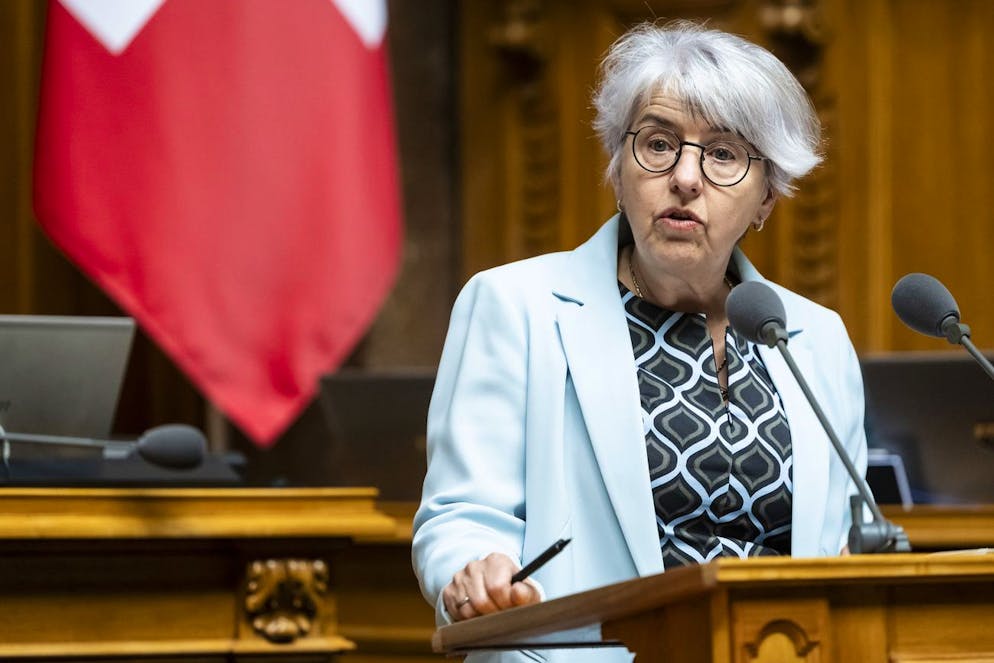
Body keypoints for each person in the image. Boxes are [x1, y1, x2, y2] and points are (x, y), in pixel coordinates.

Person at [412, 19, 866, 661]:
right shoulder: (516, 307)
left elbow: (841, 542)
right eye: (658, 144)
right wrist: (472, 574)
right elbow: (461, 517)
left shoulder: (816, 339)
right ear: (618, 170)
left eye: (724, 154)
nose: (686, 177)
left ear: (767, 198)